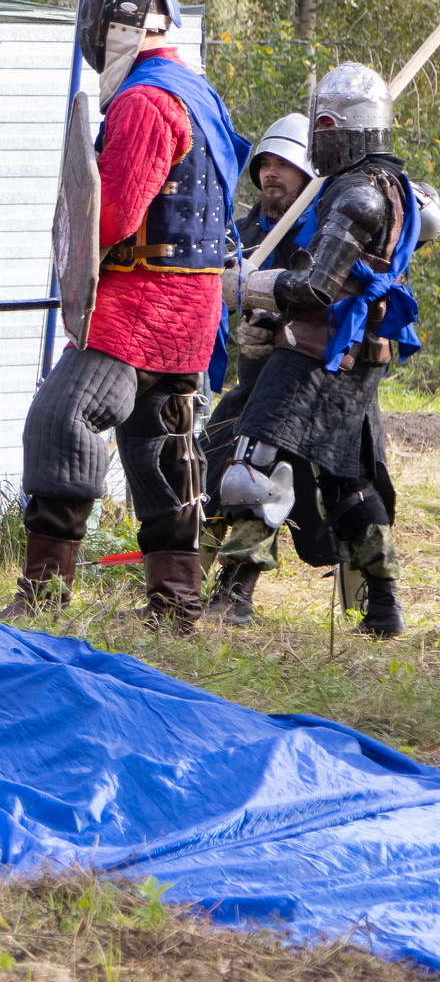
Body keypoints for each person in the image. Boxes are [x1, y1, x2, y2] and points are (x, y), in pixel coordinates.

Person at [13, 0, 249, 632]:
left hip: (141, 309)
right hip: (193, 310)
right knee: (159, 443)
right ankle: (176, 605)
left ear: (110, 30)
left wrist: (70, 243)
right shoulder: (199, 93)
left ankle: (44, 597)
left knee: (62, 418)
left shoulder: (146, 100)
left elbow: (110, 214)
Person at [213, 63, 422, 637]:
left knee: (255, 462)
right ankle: (383, 608)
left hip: (319, 352)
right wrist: (265, 314)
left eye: (322, 128)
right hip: (350, 354)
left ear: (340, 128)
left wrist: (246, 288)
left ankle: (233, 597)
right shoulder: (390, 184)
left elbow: (316, 288)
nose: (316, 142)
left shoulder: (358, 194)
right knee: (346, 482)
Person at [196, 114, 320, 624]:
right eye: (266, 163)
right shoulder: (244, 233)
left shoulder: (323, 235)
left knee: (261, 474)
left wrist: (280, 322)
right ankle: (177, 589)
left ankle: (236, 595)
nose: (272, 172)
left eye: (285, 164)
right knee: (205, 472)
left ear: (309, 173)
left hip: (305, 387)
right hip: (250, 384)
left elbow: (328, 297)